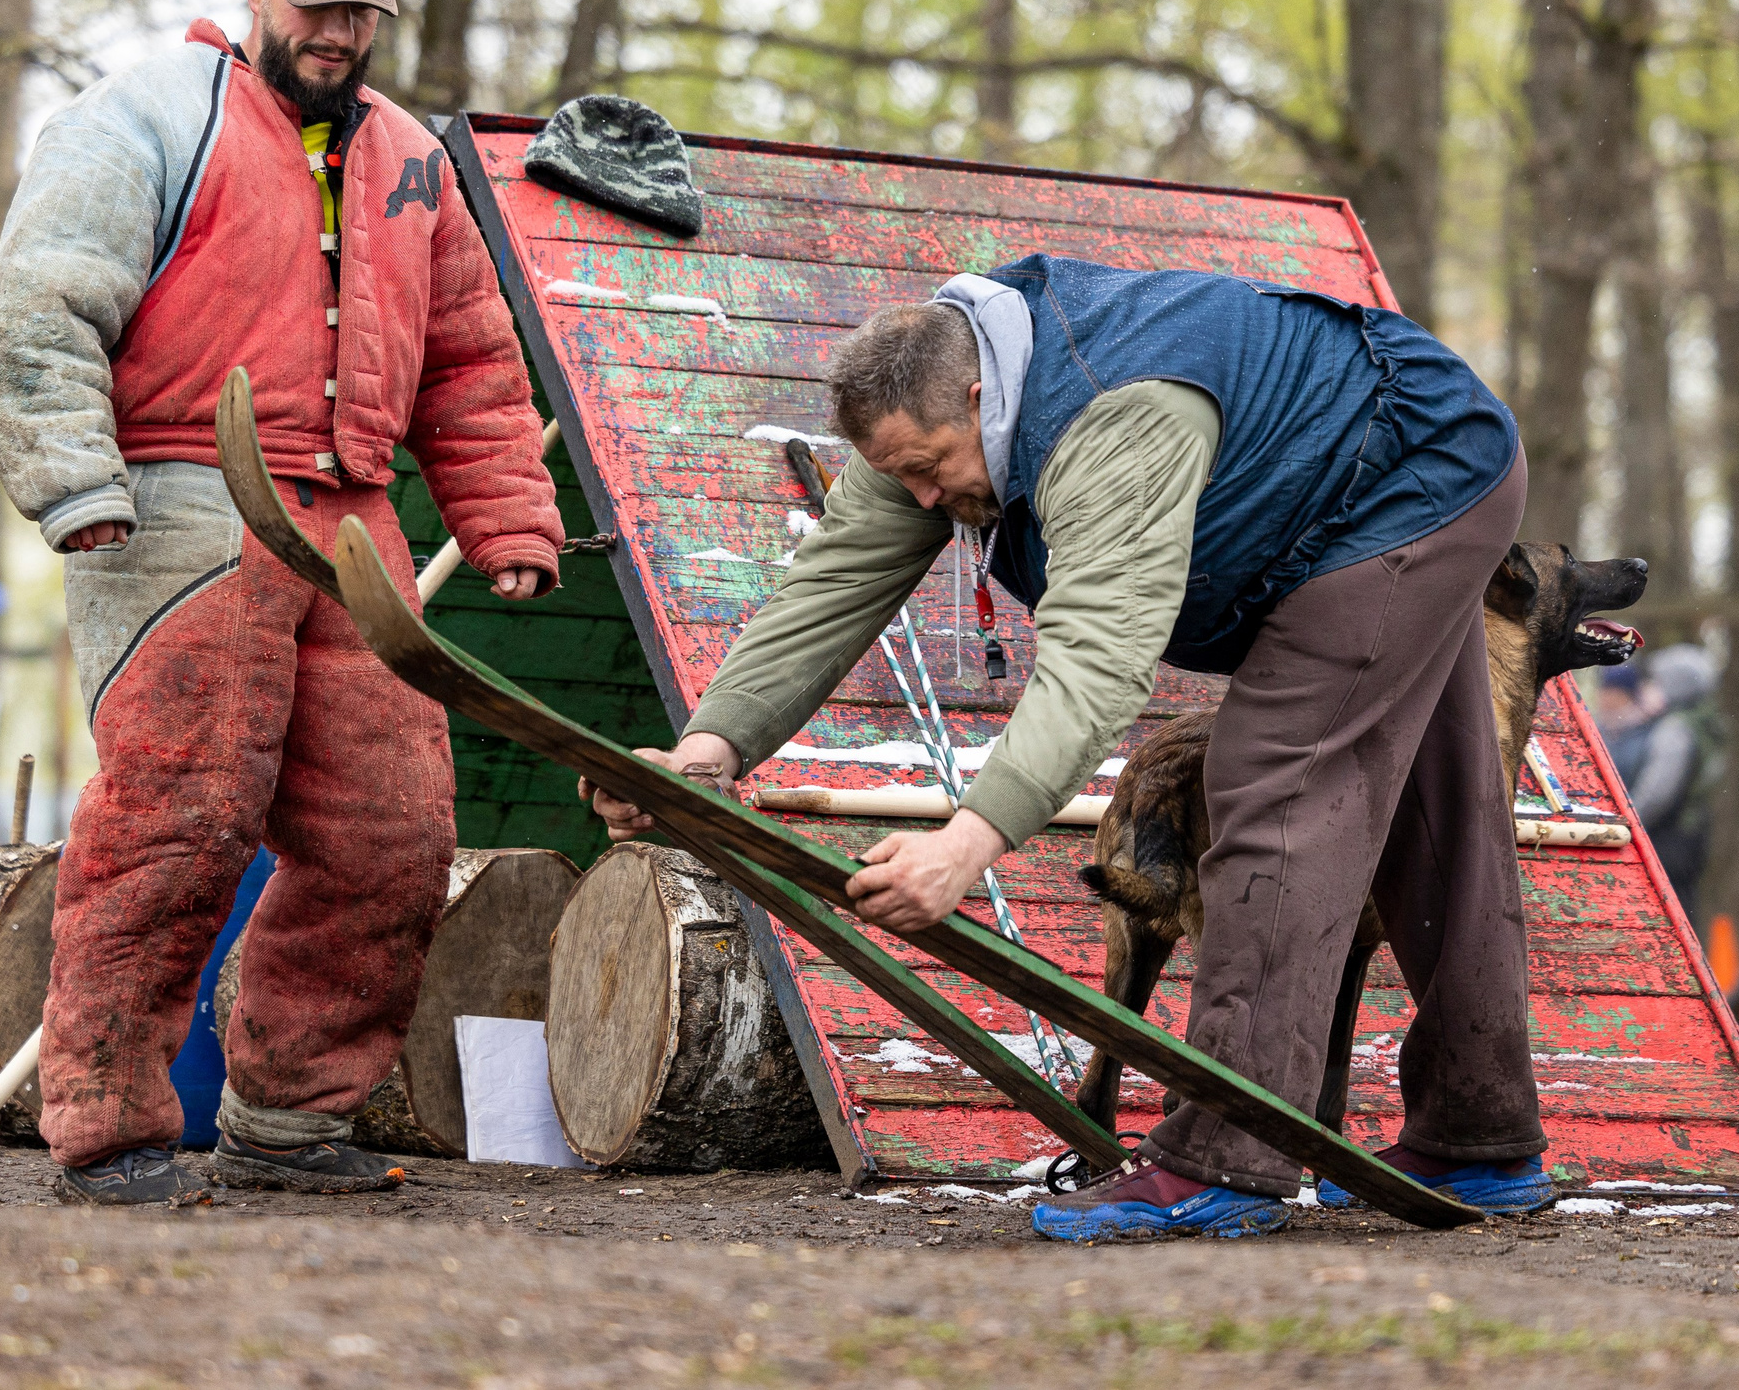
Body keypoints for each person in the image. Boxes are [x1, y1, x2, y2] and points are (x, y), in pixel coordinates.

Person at [586, 256, 1539, 1240]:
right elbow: (831, 586)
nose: (920, 500)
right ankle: (1481, 1135)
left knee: (1273, 781)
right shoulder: (928, 409)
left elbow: (1095, 667)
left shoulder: (1114, 422)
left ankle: (1225, 1156)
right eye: (898, 474)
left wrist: (965, 844)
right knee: (1441, 806)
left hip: (1407, 475)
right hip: (1394, 461)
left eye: (930, 468)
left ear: (975, 397)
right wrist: (706, 754)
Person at [0, 0, 565, 1205]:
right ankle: (111, 1126)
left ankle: (293, 1117)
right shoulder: (144, 115)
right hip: (178, 488)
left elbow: (470, 357)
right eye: (317, 4)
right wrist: (75, 480)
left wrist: (508, 512)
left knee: (391, 829)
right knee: (178, 819)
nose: (340, 32)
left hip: (354, 510)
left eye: (362, 11)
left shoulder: (412, 159)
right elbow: (43, 303)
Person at [1595, 646, 1718, 927]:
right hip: (1684, 836)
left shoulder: (1675, 730)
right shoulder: (1692, 724)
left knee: (1670, 914)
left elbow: (1657, 793)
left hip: (1668, 840)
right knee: (1679, 909)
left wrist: (1626, 824)